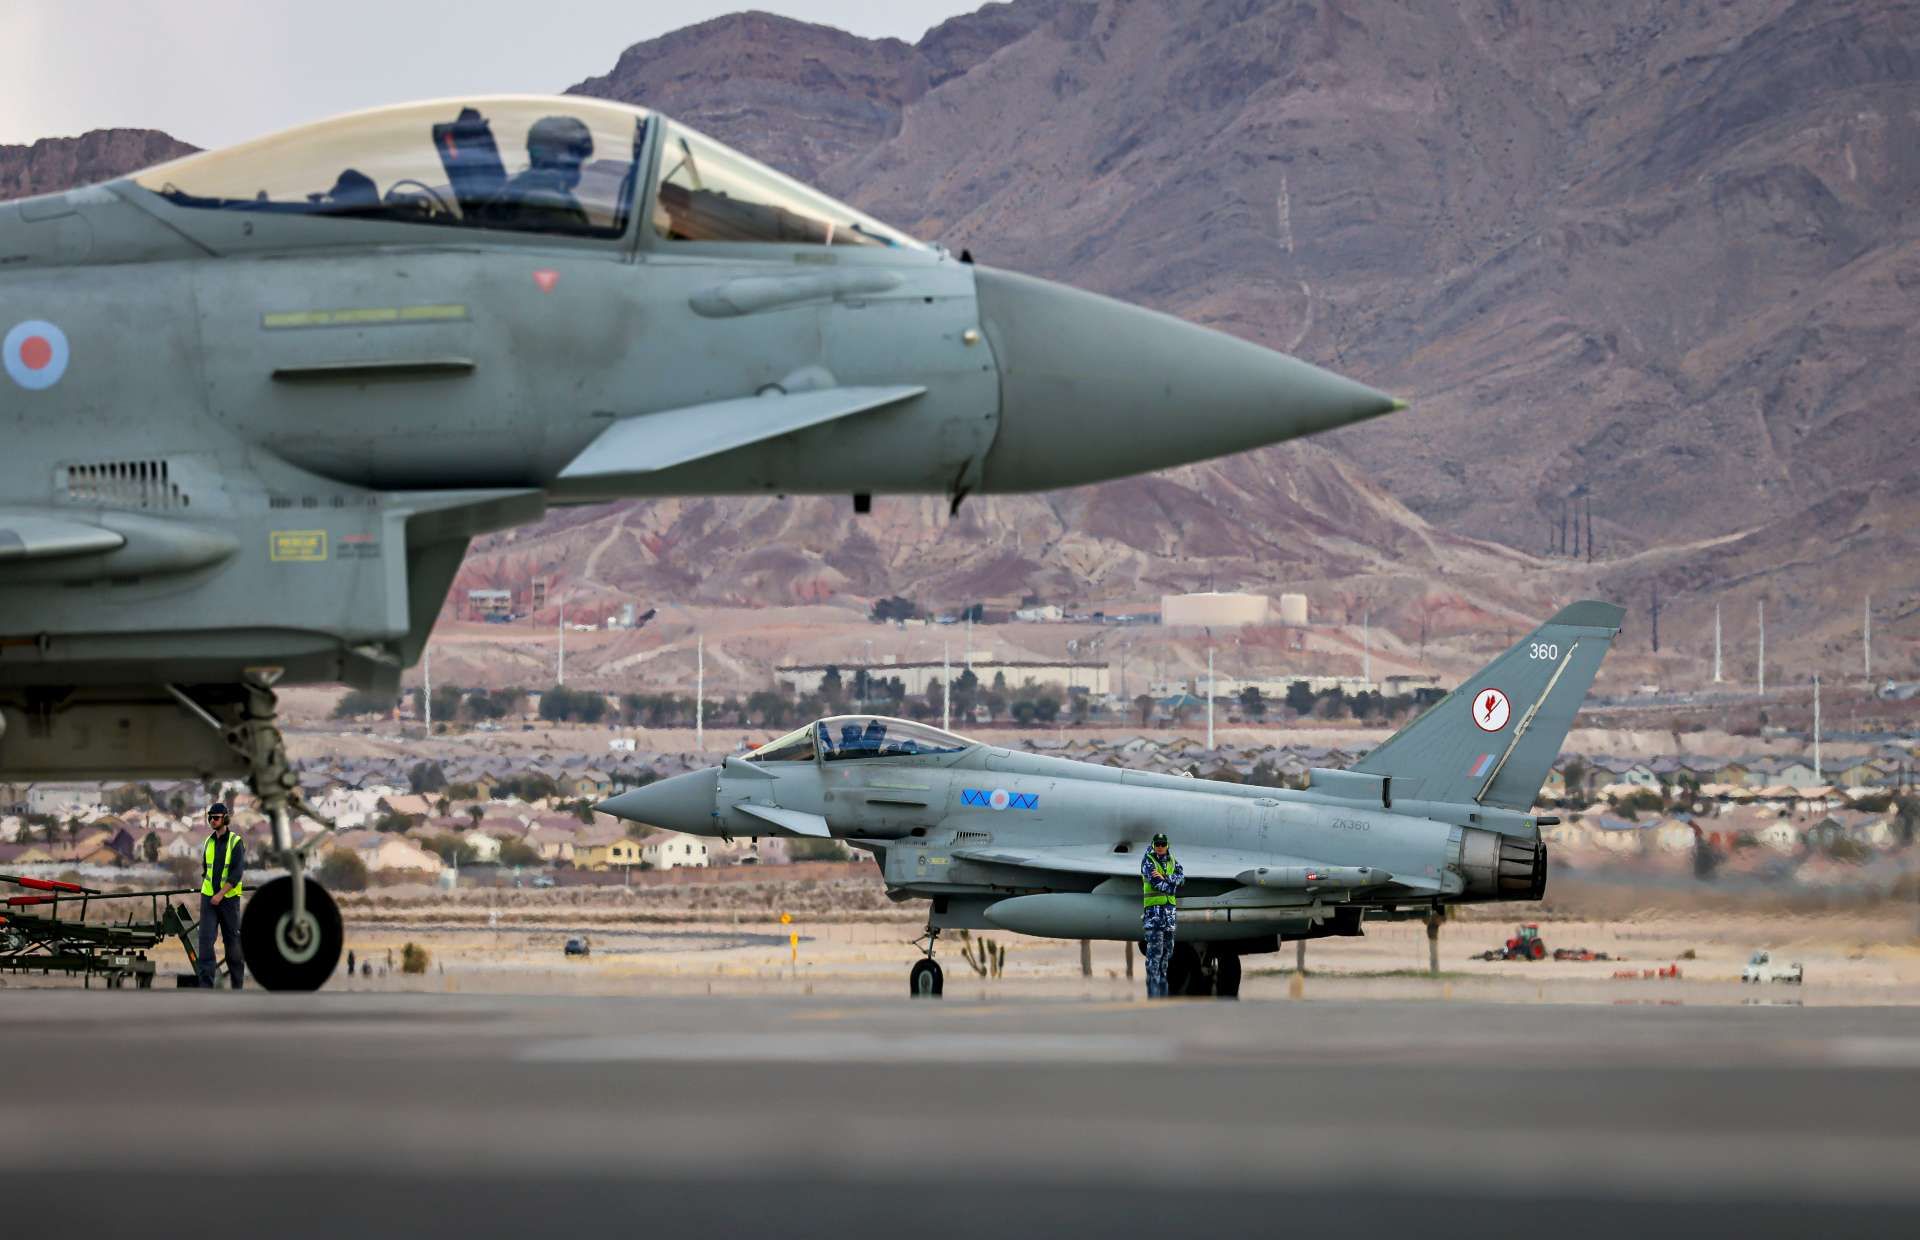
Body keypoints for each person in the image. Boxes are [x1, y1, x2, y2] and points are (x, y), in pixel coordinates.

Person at [479, 115, 595, 233]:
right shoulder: (549, 201)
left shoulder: (515, 187)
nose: (582, 167)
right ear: (562, 157)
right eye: (580, 158)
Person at [196, 802, 245, 989]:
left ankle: (237, 987)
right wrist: (210, 894)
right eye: (210, 817)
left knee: (232, 944)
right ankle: (205, 987)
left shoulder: (235, 842)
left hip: (229, 900)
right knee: (205, 942)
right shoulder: (208, 842)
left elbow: (236, 873)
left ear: (225, 818)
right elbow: (206, 870)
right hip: (209, 899)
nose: (212, 821)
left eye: (215, 817)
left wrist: (221, 894)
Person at [1140, 831, 1183, 998]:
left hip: (1168, 912)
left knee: (1168, 950)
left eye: (1162, 844)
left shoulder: (1172, 860)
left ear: (1167, 845)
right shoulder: (1148, 861)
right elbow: (1155, 883)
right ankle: (1153, 985)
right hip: (1154, 913)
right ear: (1153, 845)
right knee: (1155, 951)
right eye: (1157, 844)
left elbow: (1181, 877)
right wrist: (1171, 885)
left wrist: (1165, 876)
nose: (1159, 847)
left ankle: (1162, 984)